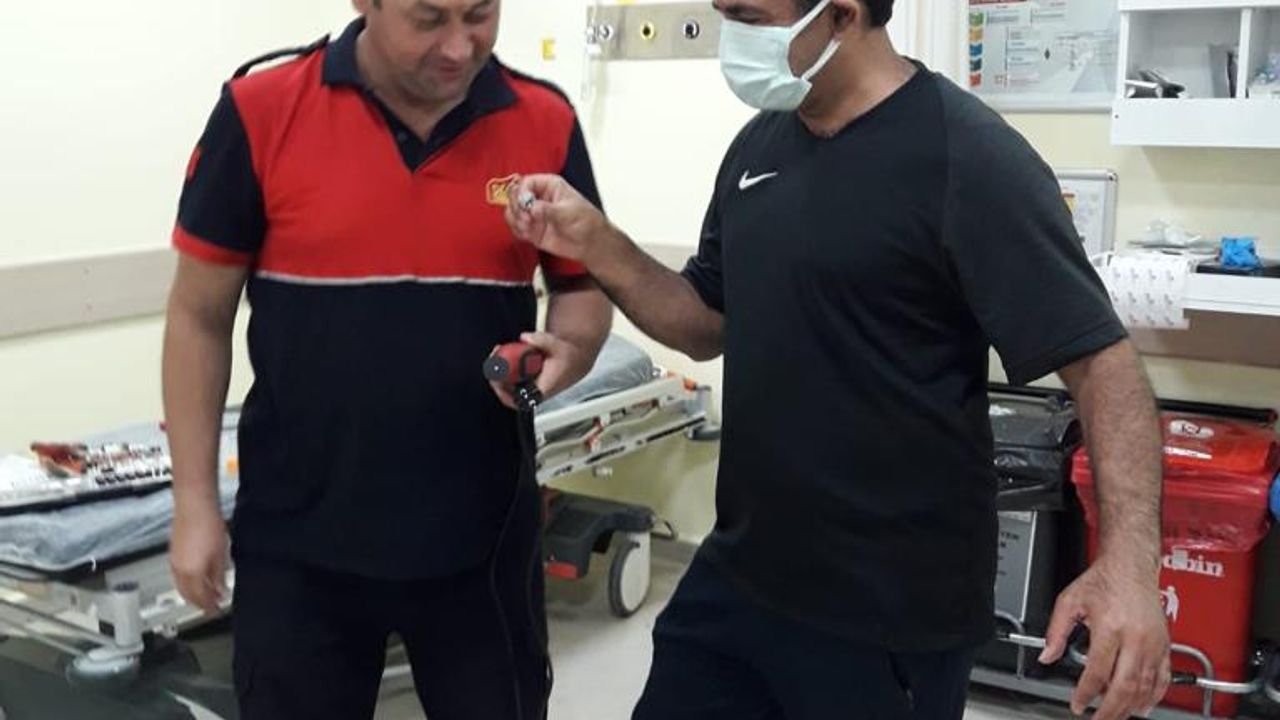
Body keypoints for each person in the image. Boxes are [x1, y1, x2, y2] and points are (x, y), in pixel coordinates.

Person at [505, 0, 1171, 718]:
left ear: (842, 16)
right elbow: (704, 322)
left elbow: (1102, 363)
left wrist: (1130, 568)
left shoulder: (967, 156)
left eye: (750, 17)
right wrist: (595, 241)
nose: (732, 39)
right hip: (741, 577)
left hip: (887, 614)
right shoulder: (758, 147)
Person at [161, 1, 611, 718]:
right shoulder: (261, 110)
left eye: (480, 14)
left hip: (483, 540)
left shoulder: (543, 119)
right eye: (428, 19)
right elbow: (197, 316)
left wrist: (573, 347)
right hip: (300, 546)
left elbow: (582, 286)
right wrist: (194, 504)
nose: (459, 48)